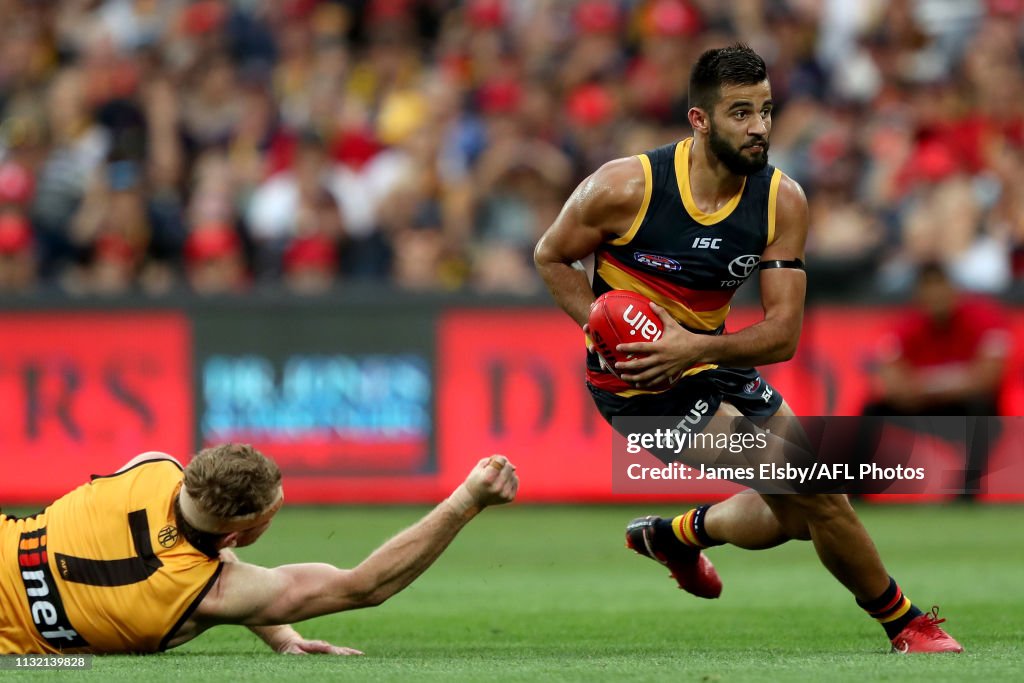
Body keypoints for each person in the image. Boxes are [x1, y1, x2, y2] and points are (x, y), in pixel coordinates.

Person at [534, 44, 962, 654]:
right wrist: (601, 327)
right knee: (815, 488)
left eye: (765, 110)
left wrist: (692, 347)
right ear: (699, 120)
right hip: (641, 391)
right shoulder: (624, 187)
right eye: (741, 113)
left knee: (804, 508)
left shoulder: (781, 201)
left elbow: (783, 333)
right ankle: (907, 623)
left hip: (714, 361)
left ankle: (677, 535)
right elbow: (550, 256)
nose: (759, 126)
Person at [0, 444, 518, 654]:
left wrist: (279, 636)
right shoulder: (211, 595)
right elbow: (365, 586)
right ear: (236, 536)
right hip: (15, 658)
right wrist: (465, 502)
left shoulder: (152, 467)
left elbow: (188, 548)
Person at [864, 260, 1011, 418]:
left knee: (980, 406)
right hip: (923, 406)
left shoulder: (986, 319)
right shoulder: (903, 328)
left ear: (953, 290)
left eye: (940, 289)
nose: (936, 297)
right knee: (874, 411)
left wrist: (926, 388)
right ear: (918, 296)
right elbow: (891, 383)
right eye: (929, 292)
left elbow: (988, 379)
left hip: (962, 405)